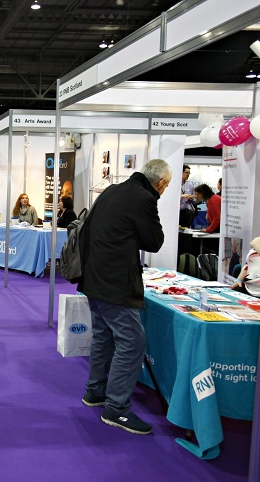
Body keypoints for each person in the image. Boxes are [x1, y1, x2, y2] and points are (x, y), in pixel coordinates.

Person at [79, 158, 171, 435]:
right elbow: (154, 241)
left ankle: (95, 392)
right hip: (115, 282)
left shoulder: (112, 189)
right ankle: (117, 409)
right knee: (132, 342)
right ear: (162, 183)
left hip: (94, 277)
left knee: (104, 336)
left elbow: (88, 230)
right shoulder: (144, 198)